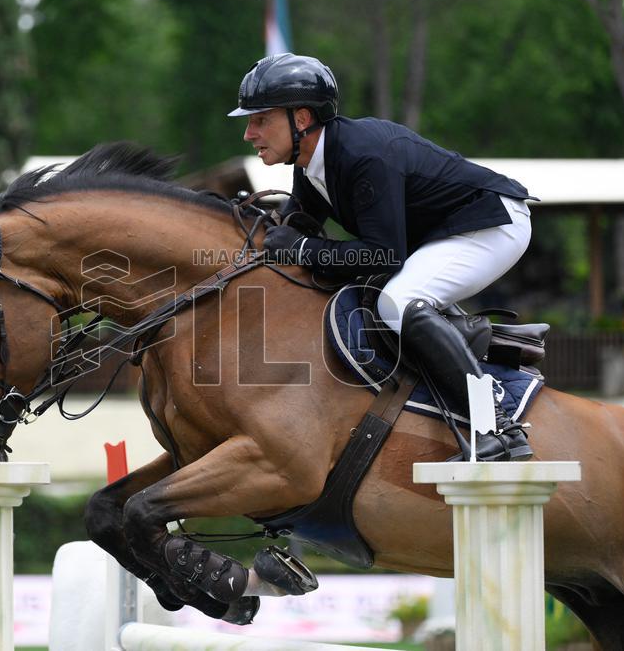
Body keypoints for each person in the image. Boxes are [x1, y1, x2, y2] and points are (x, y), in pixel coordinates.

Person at [228, 53, 534, 462]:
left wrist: (302, 248)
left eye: (260, 119)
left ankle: (498, 428)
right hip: (449, 231)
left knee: (399, 301)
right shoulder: (310, 164)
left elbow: (383, 255)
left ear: (301, 119)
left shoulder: (363, 155)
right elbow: (294, 230)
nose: (250, 133)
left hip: (493, 222)